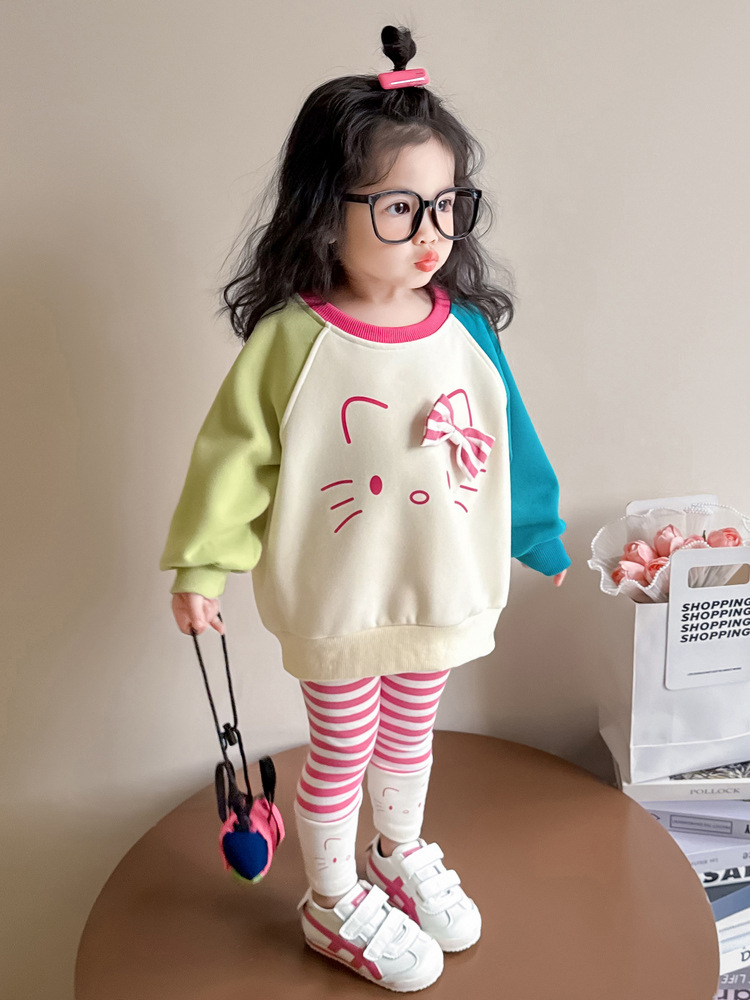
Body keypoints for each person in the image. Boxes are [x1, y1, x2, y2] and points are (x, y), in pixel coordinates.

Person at [161, 24, 570, 992]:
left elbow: (509, 438)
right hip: (341, 599)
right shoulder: (293, 340)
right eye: (398, 208)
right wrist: (203, 564)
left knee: (409, 732)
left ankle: (396, 850)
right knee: (342, 745)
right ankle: (331, 897)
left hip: (439, 588)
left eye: (447, 206)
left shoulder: (466, 331)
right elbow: (234, 457)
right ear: (325, 209)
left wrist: (537, 532)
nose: (432, 233)